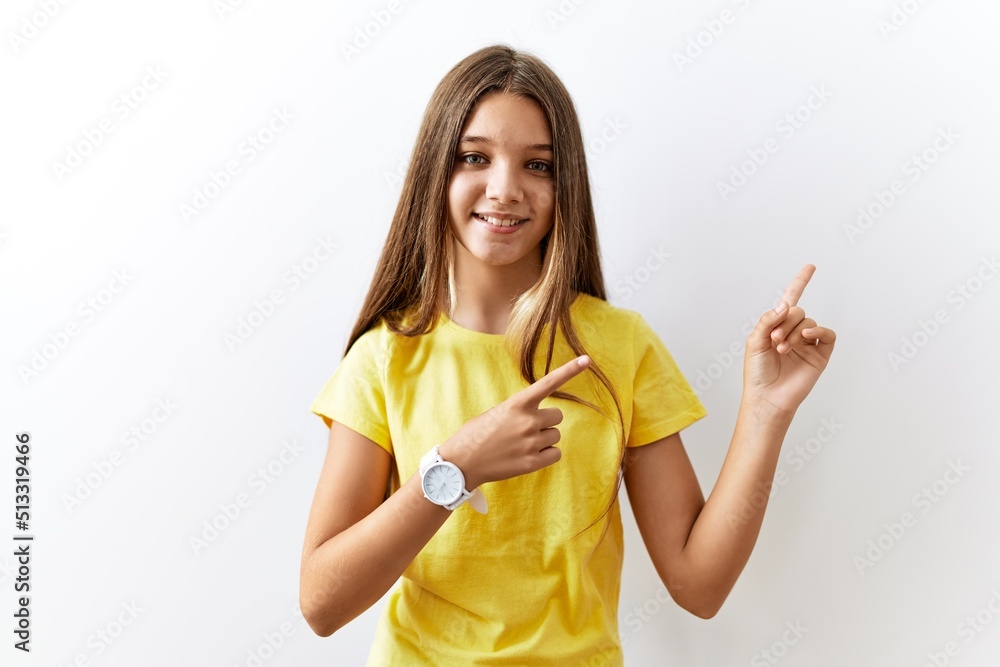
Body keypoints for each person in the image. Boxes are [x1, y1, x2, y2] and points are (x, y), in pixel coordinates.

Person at [298, 44, 836, 666]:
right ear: (434, 173)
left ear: (565, 186)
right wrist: (455, 468)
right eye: (475, 157)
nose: (505, 189)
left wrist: (766, 412)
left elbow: (700, 585)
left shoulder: (621, 345)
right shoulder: (383, 359)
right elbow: (321, 603)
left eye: (538, 165)